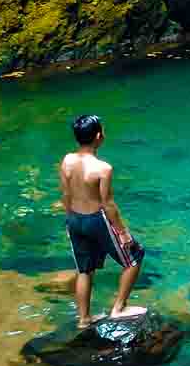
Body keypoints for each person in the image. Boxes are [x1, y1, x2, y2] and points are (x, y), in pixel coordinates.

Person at [60, 113, 145, 328]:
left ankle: (84, 319)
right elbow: (108, 204)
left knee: (84, 270)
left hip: (74, 220)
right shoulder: (103, 168)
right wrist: (123, 232)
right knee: (134, 257)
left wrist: (70, 219)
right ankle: (119, 308)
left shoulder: (67, 160)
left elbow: (65, 194)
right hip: (96, 220)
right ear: (99, 136)